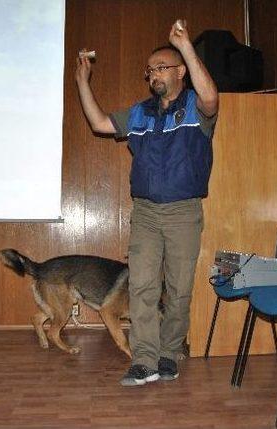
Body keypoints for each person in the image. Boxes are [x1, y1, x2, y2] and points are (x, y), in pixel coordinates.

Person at [75, 20, 219, 387]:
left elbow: (211, 98)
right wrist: (82, 81)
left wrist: (186, 45)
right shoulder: (139, 113)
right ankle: (144, 360)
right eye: (150, 69)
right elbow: (98, 123)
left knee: (179, 287)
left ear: (179, 72)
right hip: (146, 214)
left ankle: (169, 353)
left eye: (160, 68)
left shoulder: (195, 107)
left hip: (184, 211)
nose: (152, 74)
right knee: (141, 285)